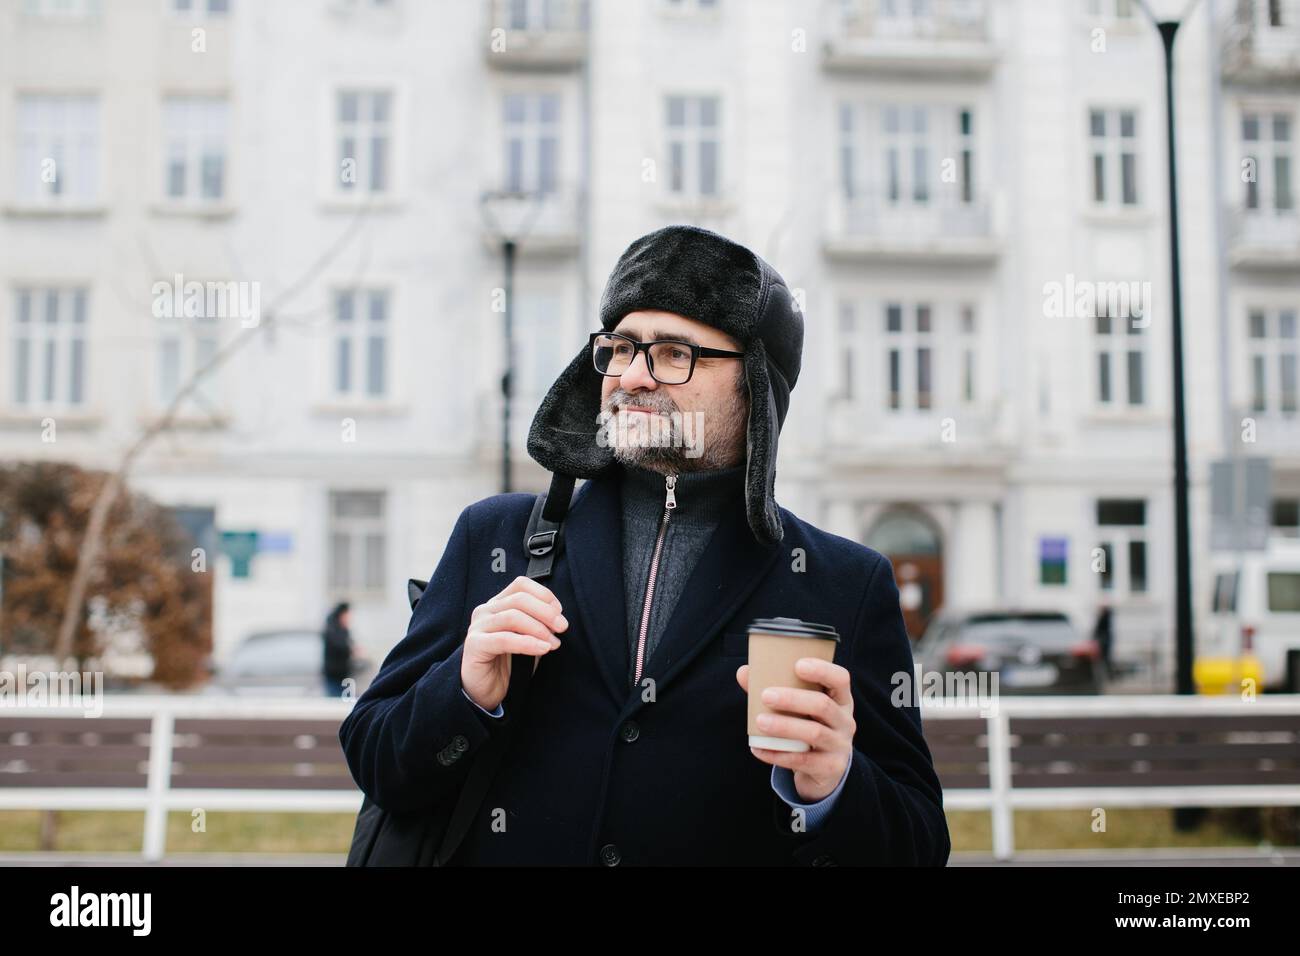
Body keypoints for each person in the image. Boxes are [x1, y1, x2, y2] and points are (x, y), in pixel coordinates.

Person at [339, 224, 950, 865]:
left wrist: (834, 786)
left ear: (757, 386)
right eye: (623, 347)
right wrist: (464, 691)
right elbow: (378, 760)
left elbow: (920, 845)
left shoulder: (844, 584)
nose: (632, 376)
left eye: (673, 352)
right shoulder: (495, 537)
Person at [322, 601, 354, 697]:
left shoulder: (343, 630)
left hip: (343, 675)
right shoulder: (332, 629)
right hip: (334, 675)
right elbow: (340, 646)